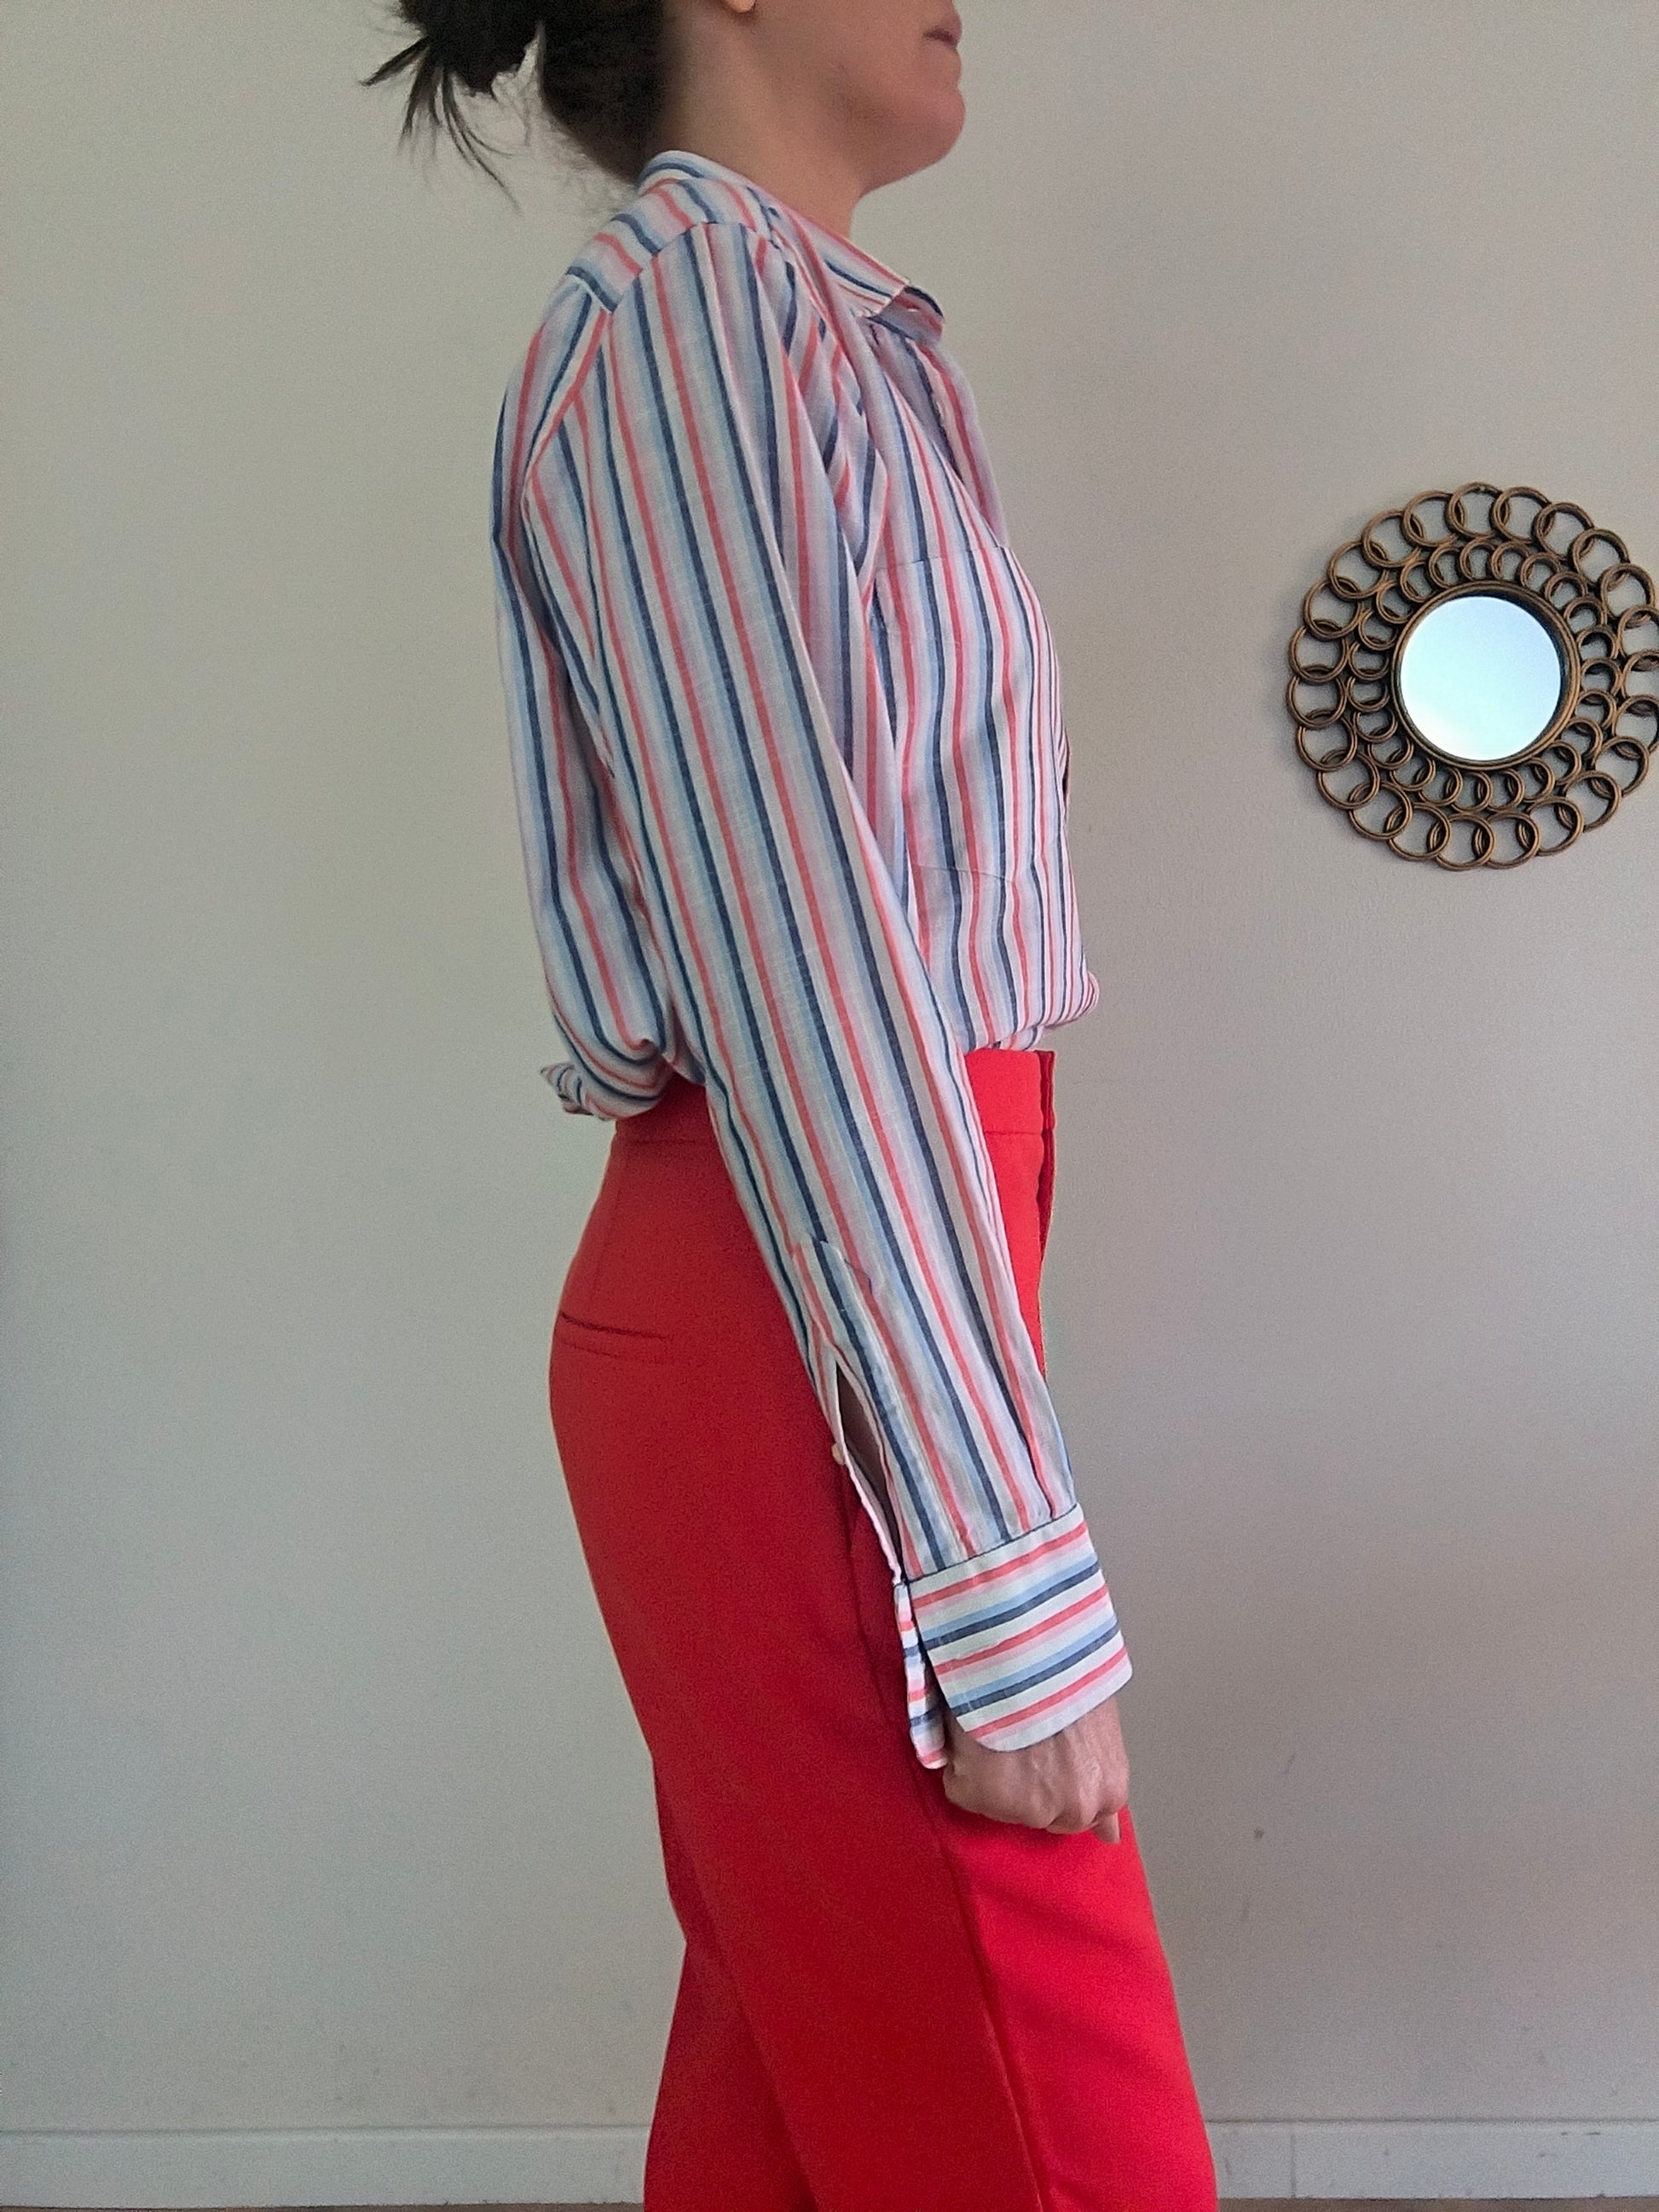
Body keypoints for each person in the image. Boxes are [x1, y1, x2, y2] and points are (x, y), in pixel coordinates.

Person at [367, 3, 1217, 2205]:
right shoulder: (688, 326)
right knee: (1055, 2131)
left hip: (845, 1293)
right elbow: (801, 975)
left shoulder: (803, 332)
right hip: (808, 1316)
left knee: (808, 2107)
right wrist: (996, 1570)